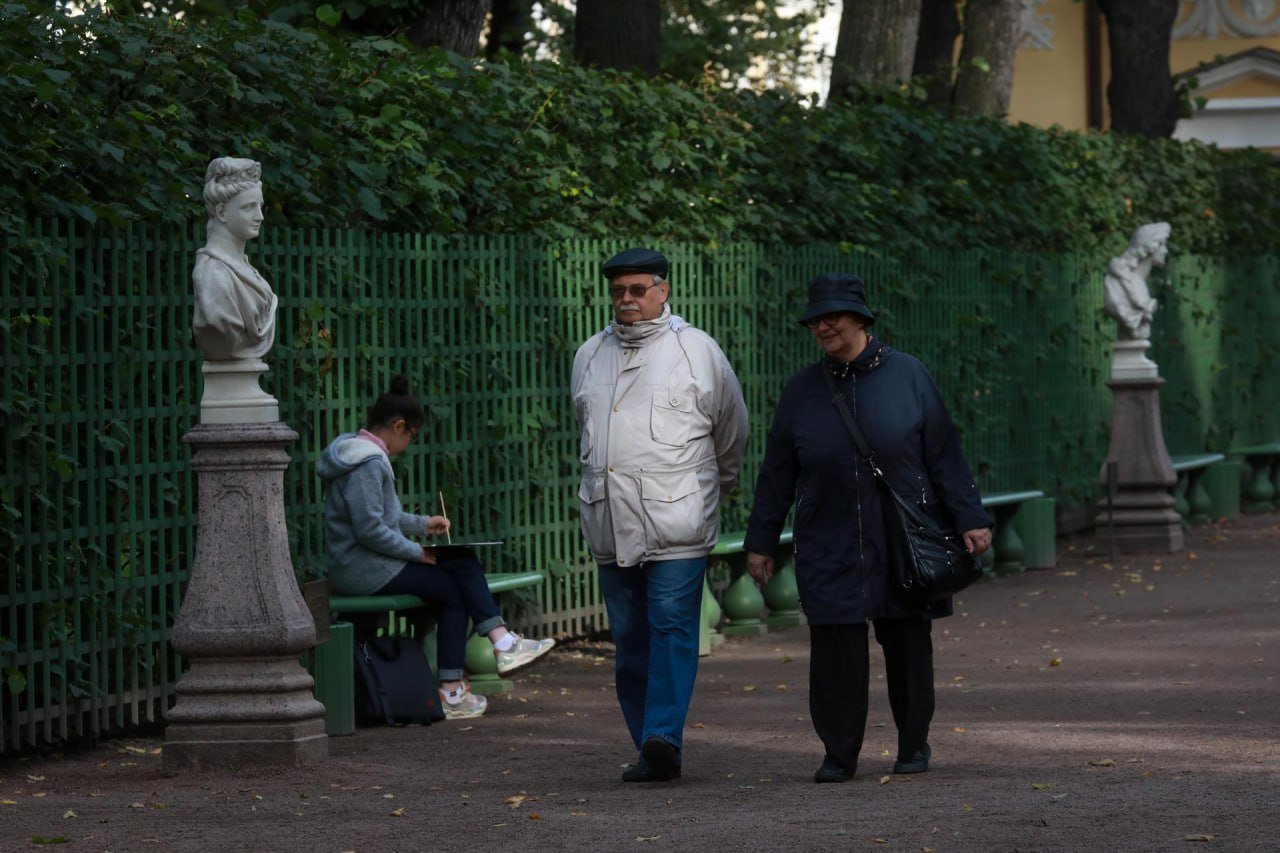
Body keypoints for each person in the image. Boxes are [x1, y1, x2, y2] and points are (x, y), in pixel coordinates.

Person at [743, 273, 992, 783]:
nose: (823, 325)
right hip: (827, 538)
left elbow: (943, 452)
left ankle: (913, 745)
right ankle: (839, 754)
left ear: (861, 318)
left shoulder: (909, 376)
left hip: (901, 538)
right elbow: (777, 472)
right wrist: (761, 540)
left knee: (906, 643)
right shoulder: (802, 391)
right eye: (815, 318)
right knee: (834, 651)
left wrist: (970, 516)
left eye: (832, 315)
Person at [572, 247, 749, 782]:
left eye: (637, 290)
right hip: (608, 520)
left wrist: (715, 488)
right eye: (618, 290)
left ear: (662, 290)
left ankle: (662, 736)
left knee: (671, 627)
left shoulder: (698, 351)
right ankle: (651, 749)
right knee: (629, 640)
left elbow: (732, 429)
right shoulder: (588, 354)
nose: (626, 299)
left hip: (678, 521)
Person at [318, 374, 555, 720]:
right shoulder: (367, 462)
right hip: (362, 568)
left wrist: (423, 524)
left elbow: (388, 516)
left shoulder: (358, 453)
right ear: (399, 426)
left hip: (368, 563)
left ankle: (469, 674)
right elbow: (370, 529)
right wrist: (417, 552)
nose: (409, 444)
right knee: (452, 583)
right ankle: (485, 658)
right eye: (411, 436)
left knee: (459, 568)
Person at [192, 157, 278, 362]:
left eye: (260, 207)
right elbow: (218, 323)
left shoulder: (244, 269)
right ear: (222, 212)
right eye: (249, 207)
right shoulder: (213, 274)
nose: (260, 216)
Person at [1103, 222, 1170, 341]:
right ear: (1150, 248)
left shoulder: (1140, 284)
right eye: (1162, 245)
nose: (1165, 251)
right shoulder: (1117, 282)